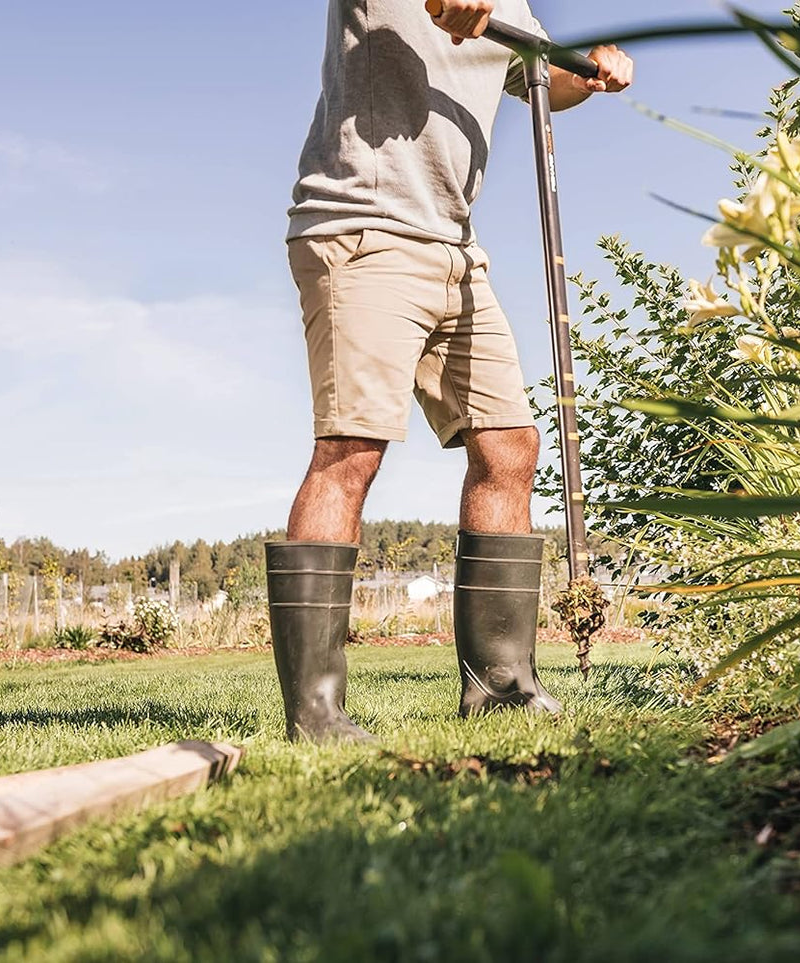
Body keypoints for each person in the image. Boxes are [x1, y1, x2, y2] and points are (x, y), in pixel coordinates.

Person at [266, 0, 633, 741]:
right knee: (352, 447)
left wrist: (588, 73)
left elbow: (537, 80)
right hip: (361, 225)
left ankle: (500, 685)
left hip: (455, 249)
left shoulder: (514, 7)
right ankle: (316, 712)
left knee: (509, 447)